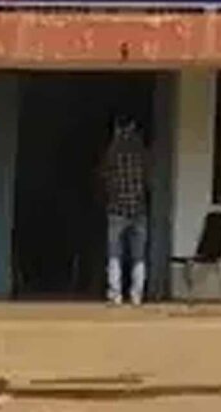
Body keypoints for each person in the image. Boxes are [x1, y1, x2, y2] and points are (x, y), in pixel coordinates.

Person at [100, 113, 149, 306]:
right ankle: (137, 295)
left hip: (117, 210)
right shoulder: (141, 152)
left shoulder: (113, 152)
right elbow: (148, 177)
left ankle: (115, 294)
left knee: (114, 254)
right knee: (138, 257)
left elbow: (104, 176)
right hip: (139, 210)